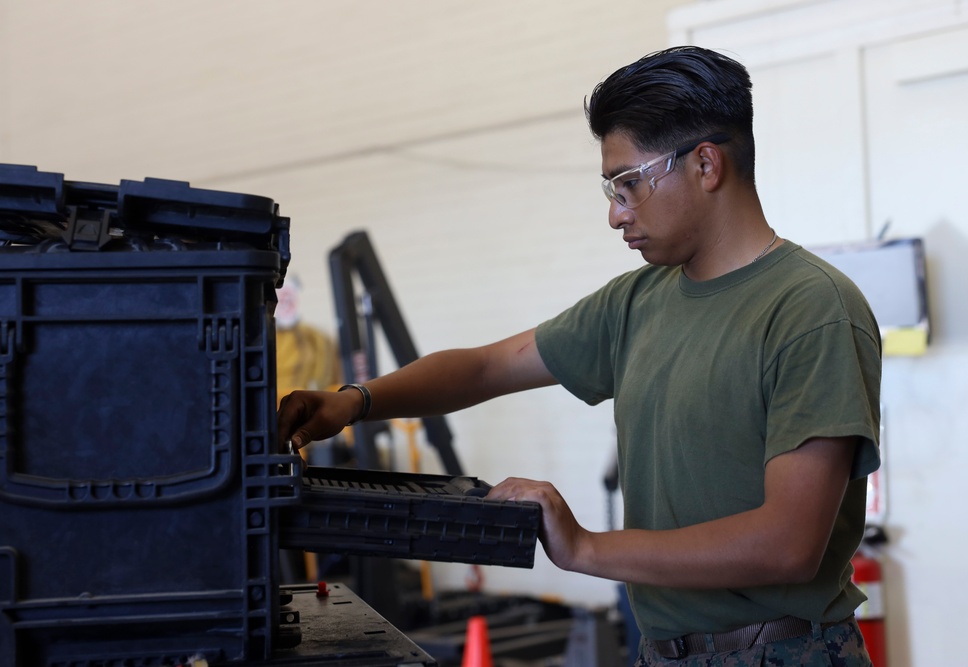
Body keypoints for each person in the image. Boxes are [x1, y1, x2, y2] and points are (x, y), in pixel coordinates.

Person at [278, 46, 881, 666]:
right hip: (663, 652)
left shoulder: (811, 309)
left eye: (629, 184)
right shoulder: (638, 302)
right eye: (610, 188)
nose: (616, 213)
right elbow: (488, 367)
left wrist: (586, 548)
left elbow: (788, 544)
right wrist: (350, 403)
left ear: (706, 164)